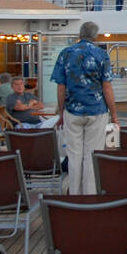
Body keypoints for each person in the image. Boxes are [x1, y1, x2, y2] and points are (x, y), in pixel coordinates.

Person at [51, 21, 118, 195]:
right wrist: (115, 114)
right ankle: (90, 196)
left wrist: (61, 111)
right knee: (91, 155)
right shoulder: (101, 54)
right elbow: (107, 88)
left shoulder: (65, 53)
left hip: (72, 111)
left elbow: (60, 87)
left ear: (80, 34)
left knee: (74, 156)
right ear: (95, 36)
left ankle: (74, 194)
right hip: (97, 111)